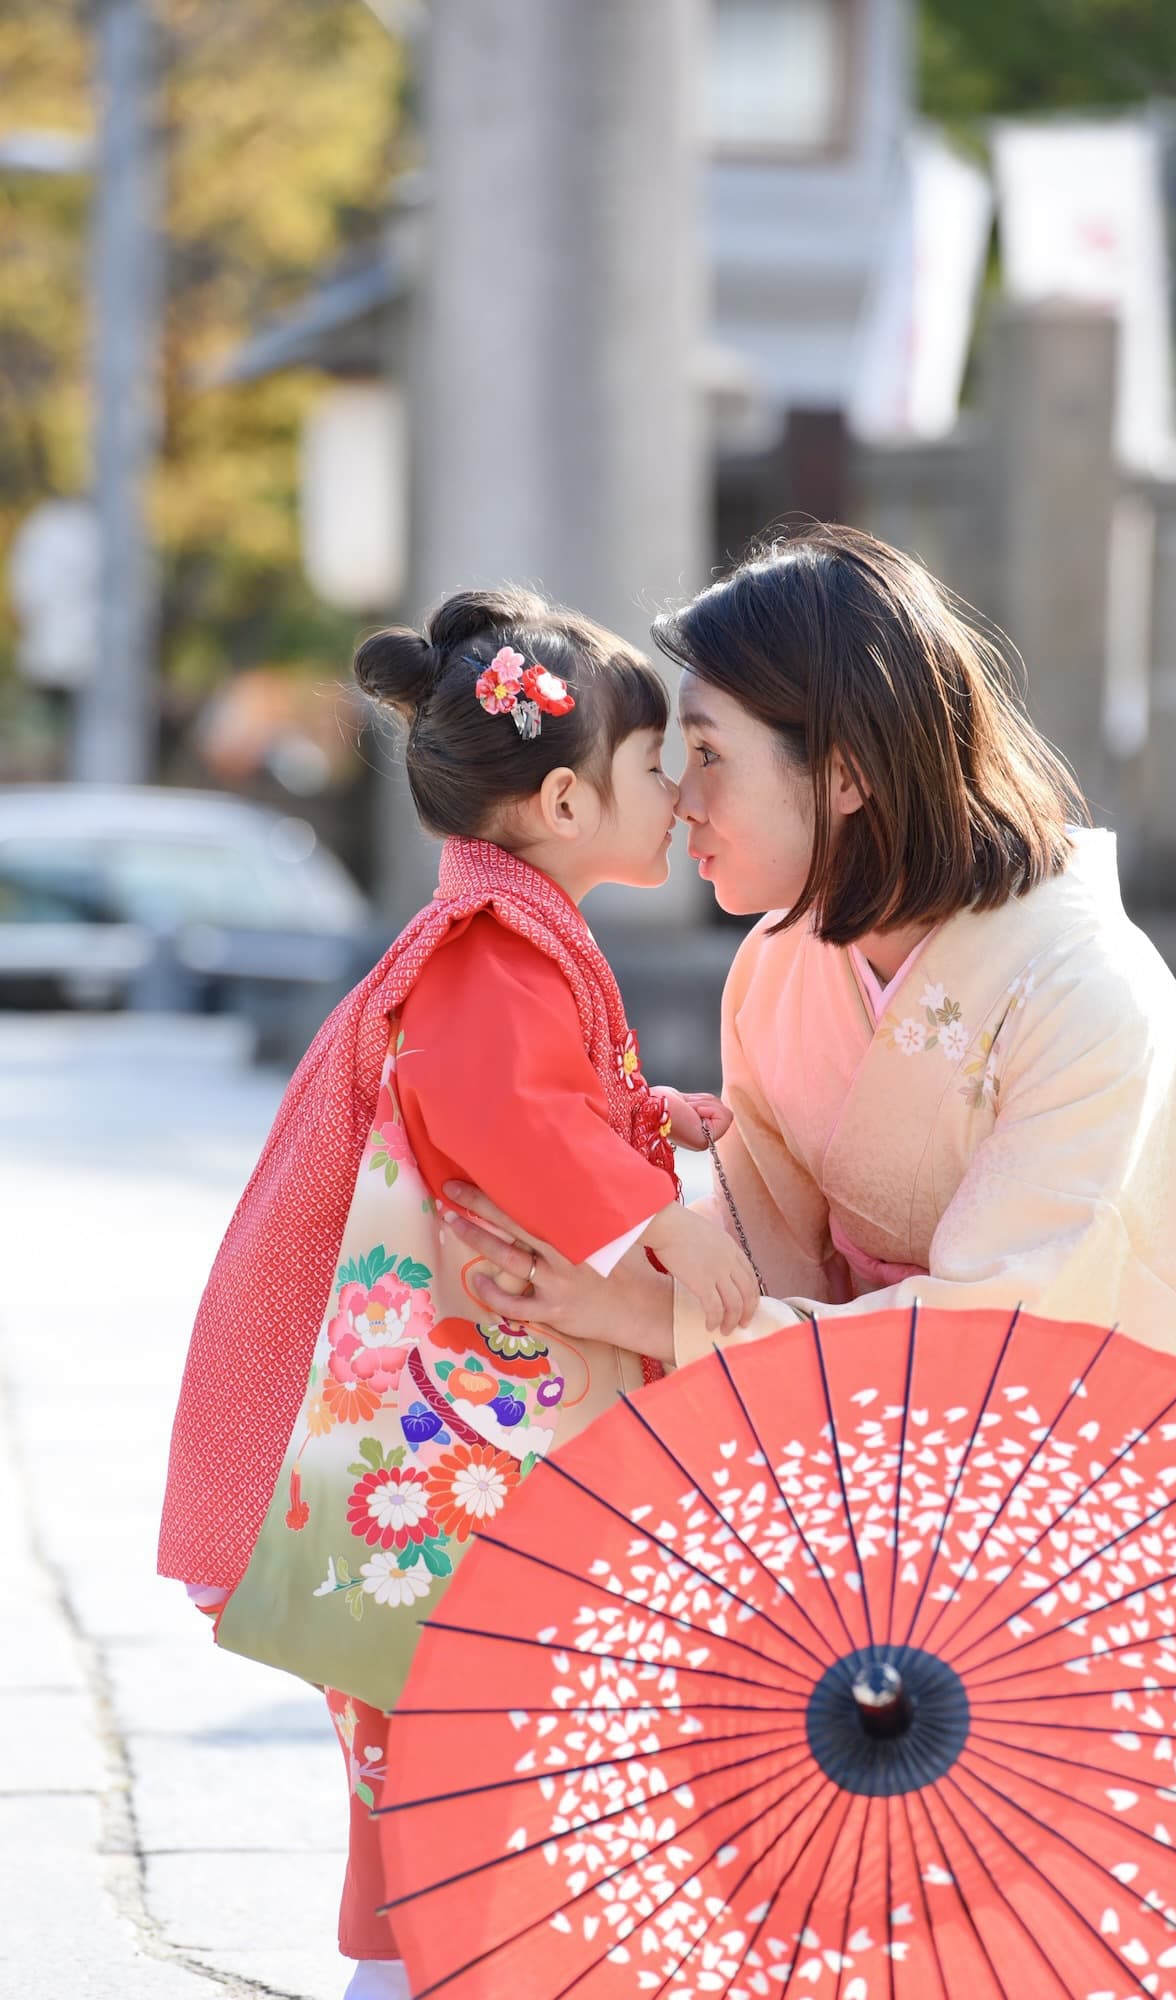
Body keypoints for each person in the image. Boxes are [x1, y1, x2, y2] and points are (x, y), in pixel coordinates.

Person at [157, 585, 755, 2000]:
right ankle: (428, 1971)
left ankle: (424, 1965)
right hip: (455, 1413)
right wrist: (662, 1235)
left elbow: (527, 1097)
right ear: (559, 800)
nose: (678, 794)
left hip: (457, 1395)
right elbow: (493, 1106)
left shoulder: (504, 925)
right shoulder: (498, 944)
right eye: (656, 765)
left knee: (447, 1702)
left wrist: (645, 1114)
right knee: (461, 1687)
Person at [443, 524, 1176, 1391]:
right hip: (858, 1439)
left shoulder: (1086, 995)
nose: (684, 800)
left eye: (710, 753)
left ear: (846, 774)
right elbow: (764, 1268)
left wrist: (648, 1316)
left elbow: (1003, 1347)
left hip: (1069, 1440)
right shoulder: (779, 962)